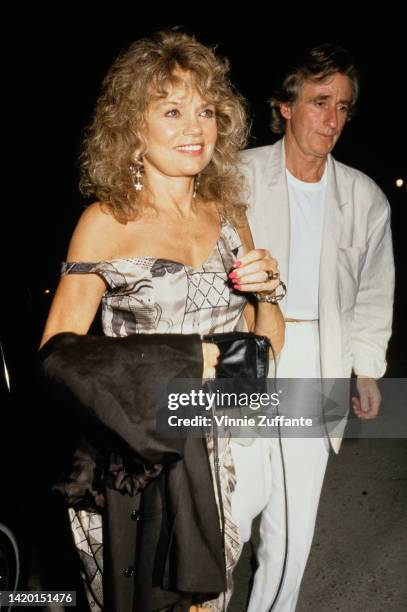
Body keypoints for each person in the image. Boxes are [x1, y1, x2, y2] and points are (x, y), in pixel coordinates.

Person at [39, 31, 285, 612]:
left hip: (228, 458)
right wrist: (183, 361)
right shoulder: (106, 221)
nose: (194, 127)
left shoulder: (228, 212)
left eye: (206, 111)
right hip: (140, 465)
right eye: (171, 110)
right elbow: (55, 355)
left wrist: (270, 294)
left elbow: (264, 346)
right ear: (132, 127)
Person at [240, 43, 394, 611]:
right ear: (284, 105)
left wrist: (367, 368)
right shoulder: (238, 175)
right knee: (228, 505)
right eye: (319, 101)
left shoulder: (364, 197)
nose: (332, 119)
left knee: (292, 519)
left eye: (343, 106)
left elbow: (375, 292)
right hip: (241, 350)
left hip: (315, 353)